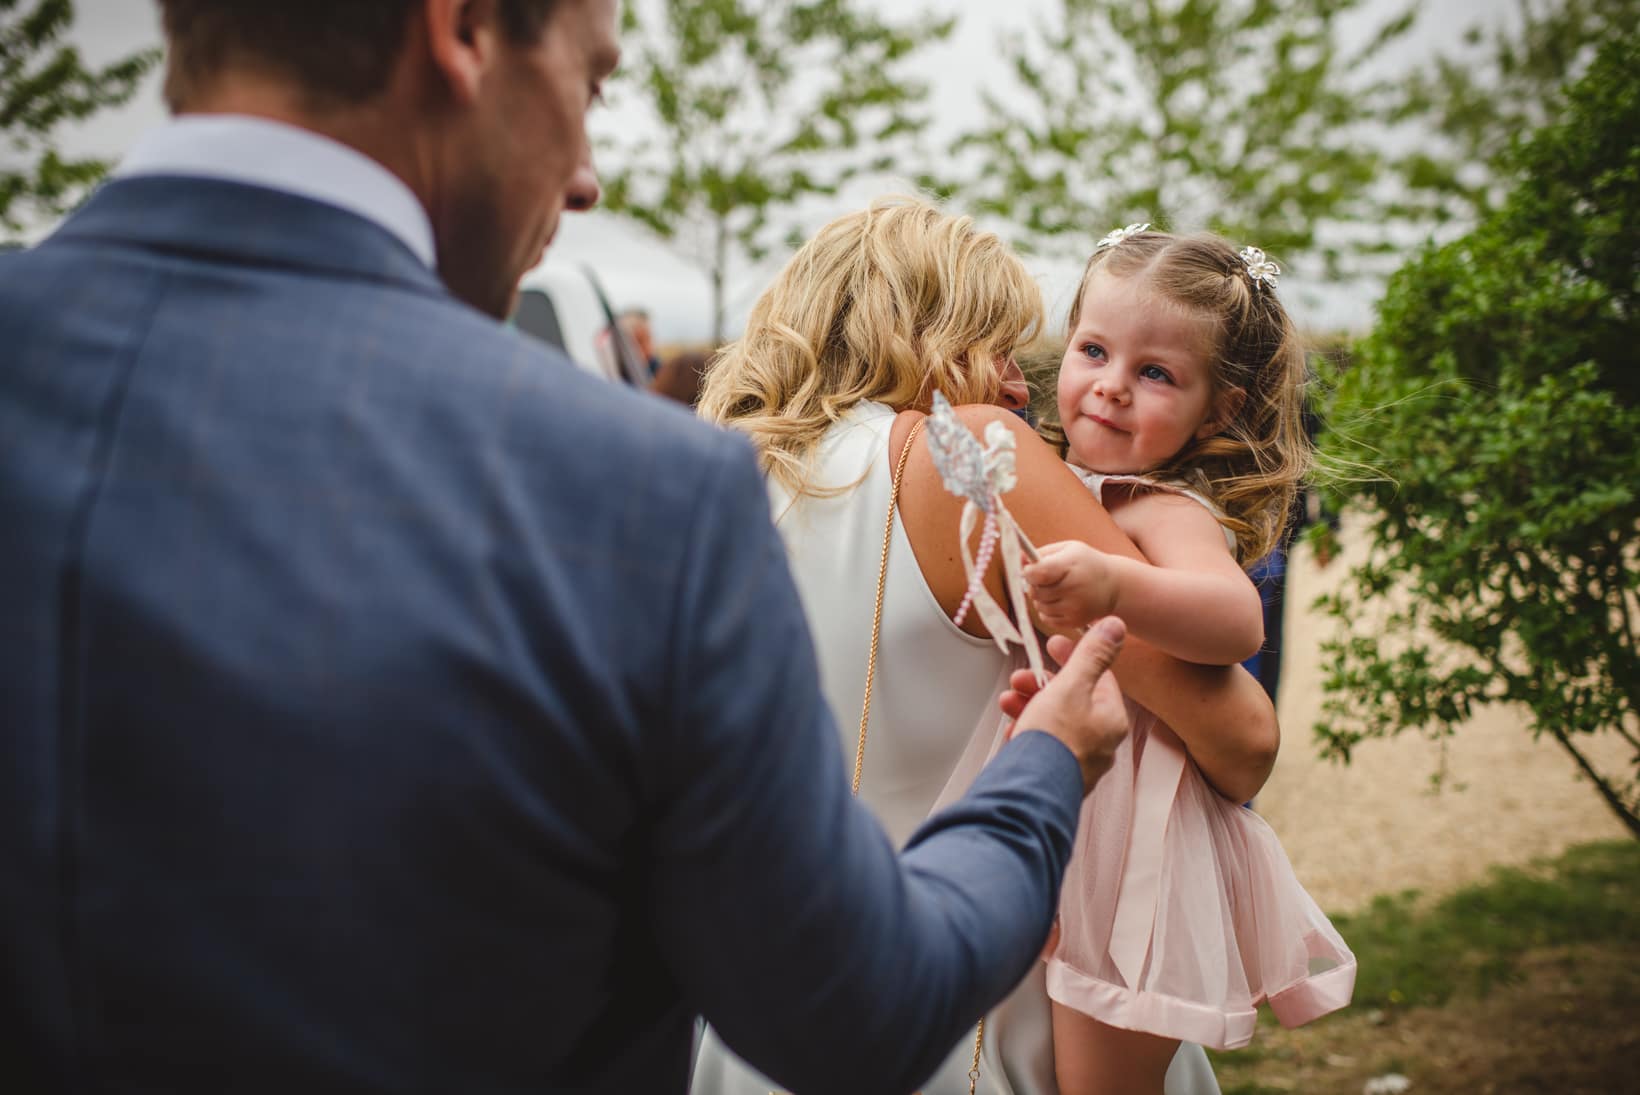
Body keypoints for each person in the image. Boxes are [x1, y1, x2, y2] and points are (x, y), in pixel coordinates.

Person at [0, 3, 1152, 1092]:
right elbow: (854, 1011)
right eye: (590, 81)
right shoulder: (633, 496)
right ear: (459, 32)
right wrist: (1043, 766)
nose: (589, 173)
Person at [691, 198, 1282, 1095]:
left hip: (767, 1014)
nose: (1017, 386)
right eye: (999, 345)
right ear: (926, 326)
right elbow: (1242, 740)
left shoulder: (710, 483)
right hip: (977, 1006)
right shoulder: (966, 454)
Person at [1021, 226, 1356, 1093]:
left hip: (1133, 838)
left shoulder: (1164, 508)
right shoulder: (1065, 477)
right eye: (1094, 349)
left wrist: (1114, 584)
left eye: (1155, 372)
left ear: (1221, 410)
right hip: (1073, 806)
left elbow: (1236, 618)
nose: (1111, 386)